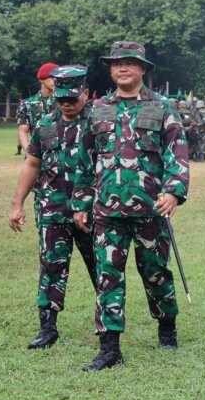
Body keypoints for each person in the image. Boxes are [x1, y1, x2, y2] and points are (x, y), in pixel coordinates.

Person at [72, 41, 190, 370]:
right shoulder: (97, 109)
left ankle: (166, 326)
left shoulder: (162, 107)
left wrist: (173, 191)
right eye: (116, 64)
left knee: (155, 272)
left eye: (129, 63)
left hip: (150, 210)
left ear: (142, 69)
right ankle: (109, 347)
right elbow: (85, 160)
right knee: (107, 275)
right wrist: (81, 202)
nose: (122, 68)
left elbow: (177, 153)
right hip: (107, 212)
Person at [8, 65, 98, 350]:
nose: (66, 104)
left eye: (72, 98)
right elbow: (32, 164)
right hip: (52, 208)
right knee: (51, 267)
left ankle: (107, 324)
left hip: (91, 210)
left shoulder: (100, 123)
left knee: (101, 267)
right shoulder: (45, 123)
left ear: (85, 93)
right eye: (61, 99)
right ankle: (48, 328)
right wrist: (17, 204)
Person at [17, 62, 60, 158]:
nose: (55, 80)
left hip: (61, 156)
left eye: (58, 77)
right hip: (39, 154)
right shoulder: (27, 104)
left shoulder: (64, 102)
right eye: (51, 77)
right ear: (41, 79)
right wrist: (30, 155)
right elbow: (23, 131)